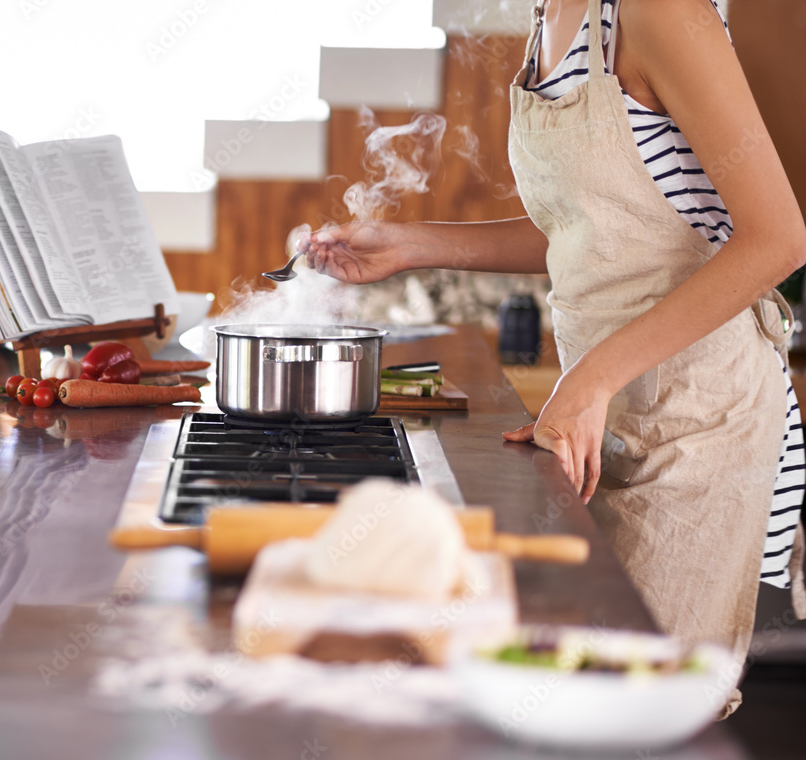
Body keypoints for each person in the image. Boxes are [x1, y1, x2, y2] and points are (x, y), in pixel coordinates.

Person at [302, 0, 806, 716]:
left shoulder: (659, 11)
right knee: (574, 696)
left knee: (639, 710)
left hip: (699, 416)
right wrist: (418, 244)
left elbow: (779, 239)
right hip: (603, 412)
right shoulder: (549, 16)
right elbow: (589, 232)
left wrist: (593, 376)